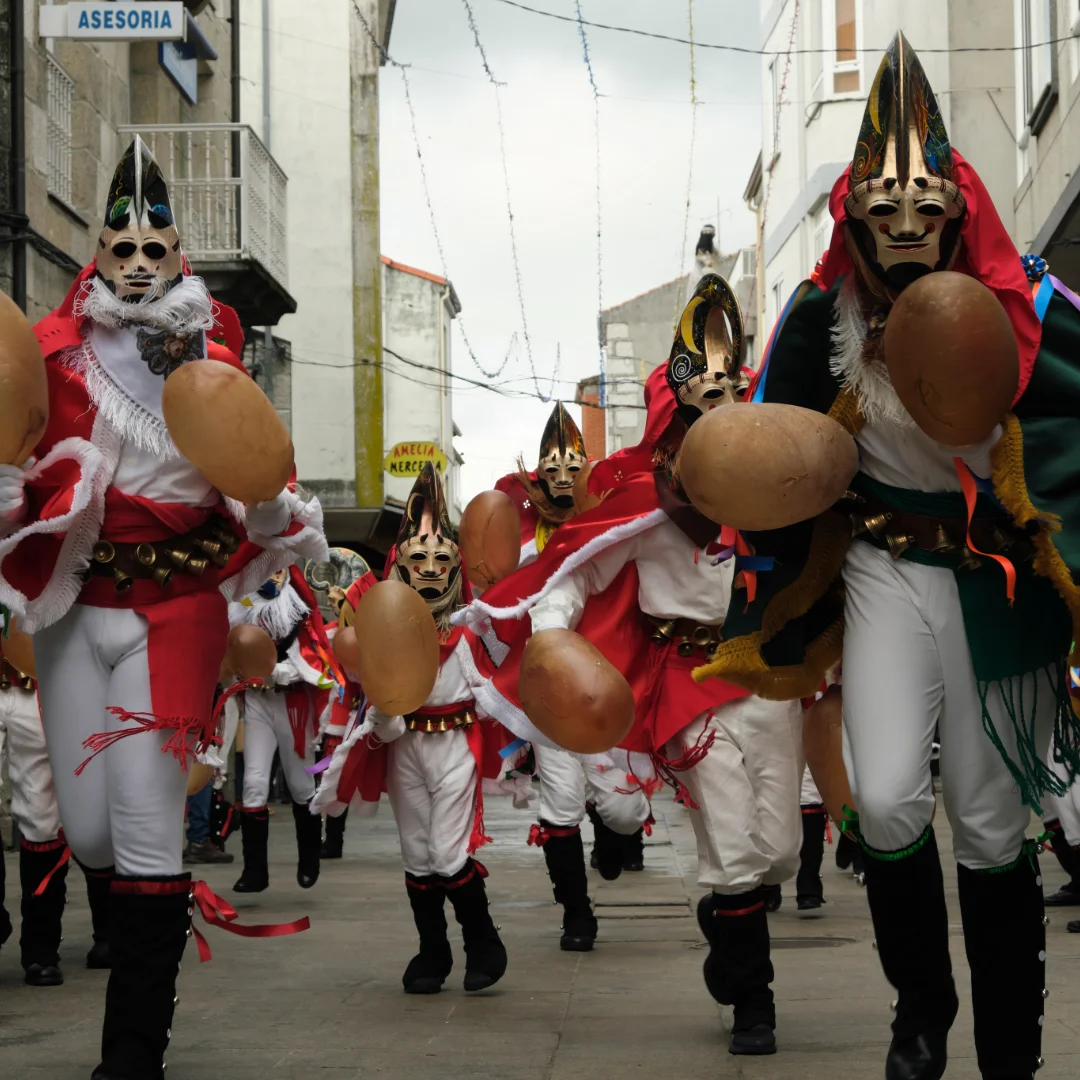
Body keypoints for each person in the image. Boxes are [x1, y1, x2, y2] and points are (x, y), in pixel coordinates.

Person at [699, 33, 1080, 1080]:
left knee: (993, 821)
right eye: (883, 205)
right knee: (886, 795)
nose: (905, 225)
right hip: (880, 567)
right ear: (855, 211)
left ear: (956, 207)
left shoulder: (1027, 301)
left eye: (924, 206)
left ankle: (1011, 1048)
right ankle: (922, 1006)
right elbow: (774, 437)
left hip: (994, 580)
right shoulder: (819, 314)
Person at [0, 137, 324, 1079]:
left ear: (180, 256)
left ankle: (134, 1050)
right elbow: (22, 456)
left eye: (155, 248)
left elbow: (257, 477)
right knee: (89, 831)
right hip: (72, 609)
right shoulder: (55, 356)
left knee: (145, 831)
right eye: (122, 247)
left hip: (176, 612)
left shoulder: (217, 361)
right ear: (97, 255)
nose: (138, 263)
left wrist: (270, 509)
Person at [455, 273, 805, 1056]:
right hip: (690, 684)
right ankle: (755, 1002)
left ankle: (727, 919)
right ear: (678, 406)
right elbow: (574, 573)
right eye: (706, 389)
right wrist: (552, 639)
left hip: (766, 674)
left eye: (733, 385)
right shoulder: (649, 500)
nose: (722, 398)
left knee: (779, 850)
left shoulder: (778, 487)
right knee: (735, 851)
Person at [314, 463, 518, 995]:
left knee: (448, 853)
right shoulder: (383, 630)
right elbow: (373, 692)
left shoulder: (471, 628)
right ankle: (433, 950)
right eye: (418, 558)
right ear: (399, 564)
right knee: (417, 853)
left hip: (455, 745)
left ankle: (482, 941)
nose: (429, 567)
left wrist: (522, 737)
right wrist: (378, 718)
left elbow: (495, 688)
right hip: (404, 745)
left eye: (441, 558)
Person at [493, 401, 650, 951]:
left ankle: (611, 835)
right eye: (552, 467)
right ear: (538, 474)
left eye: (572, 466)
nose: (562, 476)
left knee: (623, 810)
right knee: (559, 803)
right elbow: (498, 594)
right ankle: (576, 916)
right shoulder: (520, 540)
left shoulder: (614, 530)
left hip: (609, 681)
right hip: (549, 685)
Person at [0, 655, 111, 982]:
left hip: (59, 682)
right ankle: (40, 948)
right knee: (41, 817)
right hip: (22, 684)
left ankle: (102, 936)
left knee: (82, 809)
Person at [229, 565, 334, 893]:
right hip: (257, 700)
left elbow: (314, 657)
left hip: (292, 703)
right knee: (253, 783)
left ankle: (310, 858)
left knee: (300, 786)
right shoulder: (245, 603)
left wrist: (281, 670)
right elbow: (231, 641)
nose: (271, 576)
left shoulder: (298, 605)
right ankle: (254, 871)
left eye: (277, 568)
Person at [303, 547, 373, 859]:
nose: (332, 606)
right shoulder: (327, 635)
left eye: (337, 601)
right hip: (332, 717)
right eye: (330, 602)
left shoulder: (367, 636)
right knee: (329, 775)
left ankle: (333, 840)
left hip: (359, 716)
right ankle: (330, 839)